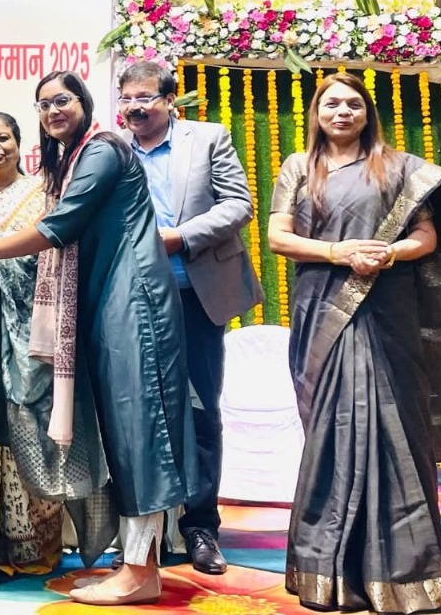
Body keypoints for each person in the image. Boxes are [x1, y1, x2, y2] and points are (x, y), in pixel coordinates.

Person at [0, 71, 197, 607]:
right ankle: (137, 566)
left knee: (139, 435)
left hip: (135, 305)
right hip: (110, 306)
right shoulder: (74, 158)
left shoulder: (102, 151)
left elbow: (61, 226)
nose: (53, 110)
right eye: (43, 105)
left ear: (84, 102)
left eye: (62, 100)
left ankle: (140, 570)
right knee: (121, 436)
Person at [267, 72, 441, 614]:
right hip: (322, 307)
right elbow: (278, 236)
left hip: (386, 310)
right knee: (330, 431)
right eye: (332, 103)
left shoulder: (399, 168)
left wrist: (386, 254)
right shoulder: (299, 167)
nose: (343, 112)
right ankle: (327, 573)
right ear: (316, 112)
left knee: (395, 428)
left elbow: (427, 237)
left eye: (353, 104)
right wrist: (339, 252)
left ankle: (404, 574)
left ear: (367, 112)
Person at [118, 60, 262, 575]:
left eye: (145, 97)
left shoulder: (207, 139)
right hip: (132, 300)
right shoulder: (113, 150)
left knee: (200, 410)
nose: (135, 107)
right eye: (127, 98)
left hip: (197, 296)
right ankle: (144, 532)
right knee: (138, 410)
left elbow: (239, 205)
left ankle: (201, 528)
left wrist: (179, 237)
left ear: (169, 100)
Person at [0, 112, 98, 574]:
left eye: (3, 138)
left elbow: (54, 252)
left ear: (19, 143)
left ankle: (30, 541)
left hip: (30, 334)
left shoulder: (43, 192)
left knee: (27, 425)